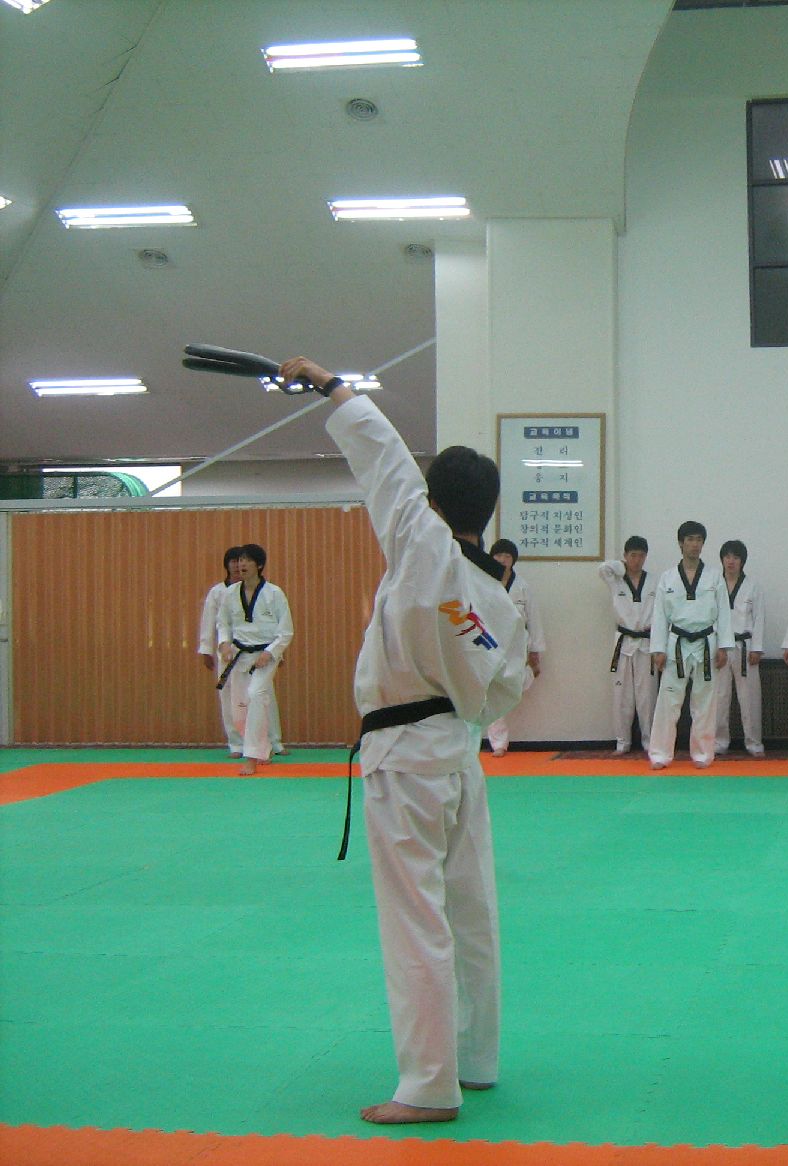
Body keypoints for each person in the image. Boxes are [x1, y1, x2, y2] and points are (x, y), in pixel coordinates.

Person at [277, 356, 529, 1126]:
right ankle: (476, 1058)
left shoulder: (422, 542)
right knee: (471, 911)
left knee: (416, 919)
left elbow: (382, 454)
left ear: (432, 500)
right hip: (458, 753)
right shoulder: (496, 600)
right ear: (487, 510)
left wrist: (330, 384)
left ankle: (426, 1086)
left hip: (404, 758)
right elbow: (506, 688)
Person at [647, 521, 734, 769]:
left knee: (704, 703)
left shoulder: (714, 576)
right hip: (676, 643)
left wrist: (724, 646)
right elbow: (659, 615)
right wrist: (658, 649)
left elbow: (724, 613)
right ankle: (660, 754)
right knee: (668, 701)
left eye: (699, 540)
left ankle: (703, 754)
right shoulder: (667, 577)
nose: (695, 544)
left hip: (706, 643)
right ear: (681, 543)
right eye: (690, 539)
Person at [216, 543, 293, 776]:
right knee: (239, 709)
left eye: (247, 560)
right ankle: (263, 746)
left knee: (256, 694)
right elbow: (223, 623)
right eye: (240, 560)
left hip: (265, 656)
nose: (242, 564)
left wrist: (270, 653)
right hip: (240, 655)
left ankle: (251, 758)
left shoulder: (274, 593)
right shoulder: (230, 593)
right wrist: (224, 642)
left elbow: (286, 631)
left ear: (259, 565)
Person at [484, 538, 545, 757]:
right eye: (498, 555)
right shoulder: (484, 582)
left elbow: (534, 619)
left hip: (518, 646)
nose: (502, 559)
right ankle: (498, 743)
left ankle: (527, 673)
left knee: (517, 685)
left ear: (513, 560)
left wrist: (535, 651)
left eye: (507, 556)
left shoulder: (522, 586)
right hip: (490, 646)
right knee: (493, 692)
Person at [599, 536, 657, 755]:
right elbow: (602, 569)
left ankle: (649, 742)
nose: (637, 560)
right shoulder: (616, 579)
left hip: (646, 641)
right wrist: (620, 567)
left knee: (647, 696)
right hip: (623, 642)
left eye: (641, 555)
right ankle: (622, 742)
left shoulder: (654, 581)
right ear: (625, 556)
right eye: (632, 555)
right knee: (622, 695)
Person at [713, 539, 765, 757]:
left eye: (735, 557)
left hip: (745, 646)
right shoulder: (715, 584)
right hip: (721, 647)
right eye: (727, 557)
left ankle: (754, 743)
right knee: (719, 697)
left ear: (742, 561)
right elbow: (711, 617)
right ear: (722, 560)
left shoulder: (753, 586)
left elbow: (759, 618)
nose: (731, 561)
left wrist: (757, 648)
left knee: (749, 698)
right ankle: (719, 742)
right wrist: (716, 646)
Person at [198, 546, 246, 756]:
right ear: (226, 565)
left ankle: (271, 741)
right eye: (233, 561)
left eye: (240, 561)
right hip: (226, 650)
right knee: (227, 696)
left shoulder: (257, 590)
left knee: (259, 695)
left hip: (254, 650)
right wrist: (206, 649)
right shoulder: (218, 592)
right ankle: (236, 744)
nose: (237, 565)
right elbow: (209, 621)